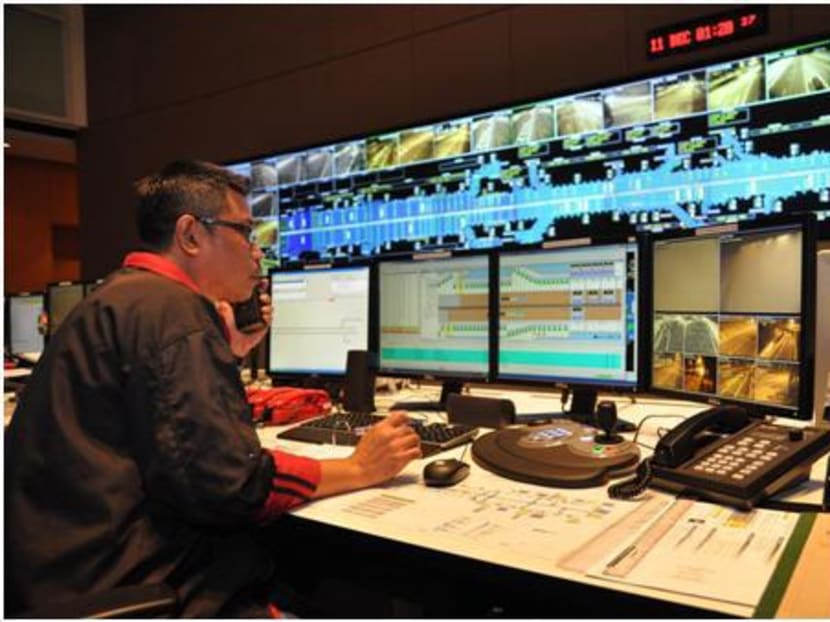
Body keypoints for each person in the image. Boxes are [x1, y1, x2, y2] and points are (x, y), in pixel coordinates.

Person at [4, 160, 422, 617]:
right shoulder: (173, 312)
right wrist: (361, 467)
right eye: (245, 231)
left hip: (63, 574)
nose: (258, 251)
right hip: (137, 584)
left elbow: (162, 427)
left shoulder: (121, 296)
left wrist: (228, 353)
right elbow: (232, 483)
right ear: (190, 235)